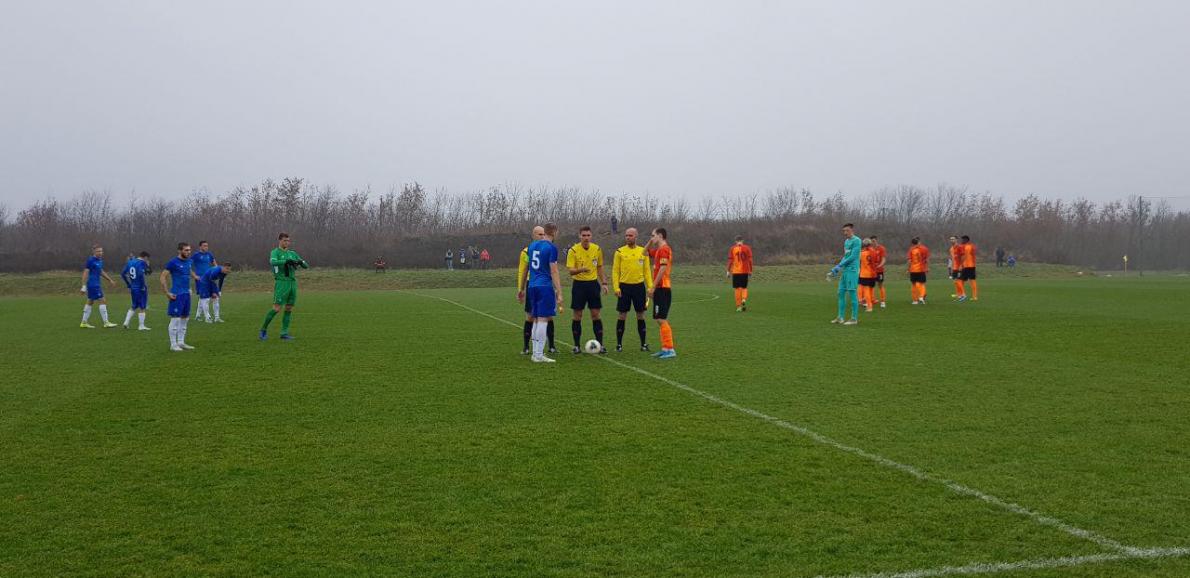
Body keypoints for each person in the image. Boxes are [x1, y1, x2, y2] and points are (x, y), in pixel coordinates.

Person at [525, 223, 564, 363]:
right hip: (544, 286)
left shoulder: (532, 246)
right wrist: (559, 291)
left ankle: (535, 353)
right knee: (543, 319)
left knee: (536, 319)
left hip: (532, 285)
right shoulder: (551, 247)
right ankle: (539, 354)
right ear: (554, 232)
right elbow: (554, 270)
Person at [566, 226, 608, 354]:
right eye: (583, 235)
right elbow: (570, 271)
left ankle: (600, 345)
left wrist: (604, 283)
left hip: (593, 285)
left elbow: (599, 267)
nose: (586, 238)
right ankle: (576, 346)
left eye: (588, 235)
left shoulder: (597, 249)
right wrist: (581, 270)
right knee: (577, 315)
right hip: (579, 285)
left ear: (591, 236)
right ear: (579, 236)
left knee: (595, 314)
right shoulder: (573, 250)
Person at [260, 232, 308, 341]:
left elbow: (306, 265)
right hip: (281, 282)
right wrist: (286, 261)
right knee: (276, 308)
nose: (287, 242)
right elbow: (273, 262)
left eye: (288, 241)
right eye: (285, 240)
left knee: (289, 308)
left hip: (292, 283)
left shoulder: (292, 253)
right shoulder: (275, 252)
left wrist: (300, 262)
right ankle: (263, 330)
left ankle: (284, 333)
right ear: (280, 241)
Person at [611, 227, 652, 351]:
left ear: (636, 236)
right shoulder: (619, 252)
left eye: (630, 235)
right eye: (626, 235)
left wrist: (650, 287)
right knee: (622, 315)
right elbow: (615, 271)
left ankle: (643, 344)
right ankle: (619, 345)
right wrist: (616, 287)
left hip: (639, 287)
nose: (628, 237)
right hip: (624, 287)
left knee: (640, 315)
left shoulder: (643, 252)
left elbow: (647, 271)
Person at [517, 227, 554, 354]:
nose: (542, 237)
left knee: (548, 316)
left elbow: (552, 269)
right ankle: (526, 347)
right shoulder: (527, 251)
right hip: (532, 284)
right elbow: (523, 270)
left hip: (545, 284)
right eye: (540, 234)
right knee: (530, 316)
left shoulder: (548, 249)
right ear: (533, 235)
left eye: (544, 234)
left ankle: (551, 346)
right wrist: (521, 289)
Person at [160, 242, 201, 351]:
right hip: (176, 294)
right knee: (175, 319)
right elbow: (163, 276)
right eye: (186, 250)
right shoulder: (173, 262)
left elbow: (188, 270)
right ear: (179, 251)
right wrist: (167, 292)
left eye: (189, 250)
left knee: (185, 319)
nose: (188, 252)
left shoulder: (189, 261)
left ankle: (181, 342)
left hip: (186, 294)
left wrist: (195, 277)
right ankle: (173, 345)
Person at [647, 228, 676, 359]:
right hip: (659, 288)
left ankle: (670, 349)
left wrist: (653, 287)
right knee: (659, 319)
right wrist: (650, 241)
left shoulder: (664, 249)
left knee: (661, 319)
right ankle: (665, 348)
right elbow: (644, 253)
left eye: (653, 235)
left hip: (663, 287)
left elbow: (663, 268)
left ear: (660, 235)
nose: (651, 238)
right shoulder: (658, 250)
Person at [829, 224, 862, 325]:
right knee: (840, 293)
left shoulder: (857, 241)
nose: (845, 233)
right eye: (844, 231)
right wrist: (838, 267)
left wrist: (840, 265)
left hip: (852, 270)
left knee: (852, 292)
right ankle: (840, 317)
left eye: (847, 230)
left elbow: (853, 257)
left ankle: (854, 318)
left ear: (852, 230)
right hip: (845, 270)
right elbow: (846, 256)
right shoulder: (846, 241)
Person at [79, 245, 119, 328]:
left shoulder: (100, 261)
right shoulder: (91, 260)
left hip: (96, 284)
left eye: (101, 251)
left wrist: (110, 280)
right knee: (102, 300)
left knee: (90, 301)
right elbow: (85, 273)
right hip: (93, 284)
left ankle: (84, 322)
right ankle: (106, 322)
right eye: (98, 251)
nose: (100, 253)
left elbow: (101, 271)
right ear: (94, 251)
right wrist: (83, 286)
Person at [120, 251, 152, 330]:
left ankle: (126, 322)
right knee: (142, 306)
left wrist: (128, 284)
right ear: (145, 257)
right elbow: (145, 273)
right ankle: (141, 326)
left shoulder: (130, 262)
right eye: (147, 259)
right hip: (140, 287)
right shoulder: (142, 263)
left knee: (134, 305)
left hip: (133, 287)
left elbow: (123, 274)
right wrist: (142, 286)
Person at [191, 240, 218, 322]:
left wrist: (215, 272)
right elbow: (188, 266)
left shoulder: (209, 254)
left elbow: (215, 264)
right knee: (205, 298)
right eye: (204, 246)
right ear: (200, 247)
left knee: (204, 298)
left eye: (207, 246)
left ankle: (198, 316)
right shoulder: (196, 255)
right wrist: (195, 276)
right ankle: (207, 317)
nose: (206, 247)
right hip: (201, 279)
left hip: (209, 278)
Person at [727, 236, 753, 312]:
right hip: (745, 271)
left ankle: (738, 306)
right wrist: (750, 270)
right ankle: (744, 299)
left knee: (737, 289)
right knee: (744, 287)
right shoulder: (747, 248)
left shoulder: (732, 248)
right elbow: (750, 260)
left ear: (735, 241)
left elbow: (730, 261)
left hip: (736, 272)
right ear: (742, 240)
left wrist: (728, 271)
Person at [907, 237, 930, 304]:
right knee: (921, 283)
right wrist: (927, 267)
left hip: (913, 269)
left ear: (912, 243)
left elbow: (909, 260)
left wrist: (908, 269)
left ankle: (915, 300)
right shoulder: (924, 249)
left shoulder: (911, 249)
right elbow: (927, 259)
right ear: (919, 242)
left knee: (913, 284)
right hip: (921, 269)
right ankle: (921, 296)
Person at [858, 239, 877, 312]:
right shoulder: (874, 252)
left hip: (864, 274)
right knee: (871, 289)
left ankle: (869, 306)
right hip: (873, 274)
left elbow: (858, 262)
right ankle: (869, 300)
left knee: (866, 290)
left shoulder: (862, 253)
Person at [959, 235, 979, 301]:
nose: (961, 241)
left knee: (961, 281)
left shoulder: (963, 246)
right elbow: (973, 256)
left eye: (963, 240)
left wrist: (960, 265)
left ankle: (963, 295)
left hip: (967, 266)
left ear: (966, 240)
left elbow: (962, 257)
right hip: (971, 266)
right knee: (971, 281)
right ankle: (974, 297)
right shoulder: (972, 246)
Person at [870, 235, 887, 308]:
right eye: (871, 241)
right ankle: (872, 300)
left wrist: (880, 265)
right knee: (871, 285)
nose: (873, 242)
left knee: (880, 285)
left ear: (876, 240)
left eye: (874, 241)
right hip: (871, 271)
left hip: (879, 270)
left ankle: (882, 301)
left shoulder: (881, 248)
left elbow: (883, 259)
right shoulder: (870, 249)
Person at [948, 235, 966, 301]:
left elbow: (963, 256)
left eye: (953, 239)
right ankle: (959, 295)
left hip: (959, 267)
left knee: (958, 281)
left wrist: (961, 265)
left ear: (956, 240)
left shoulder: (959, 247)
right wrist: (951, 266)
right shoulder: (951, 249)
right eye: (951, 239)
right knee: (955, 281)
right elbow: (952, 258)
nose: (952, 240)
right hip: (954, 267)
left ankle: (963, 295)